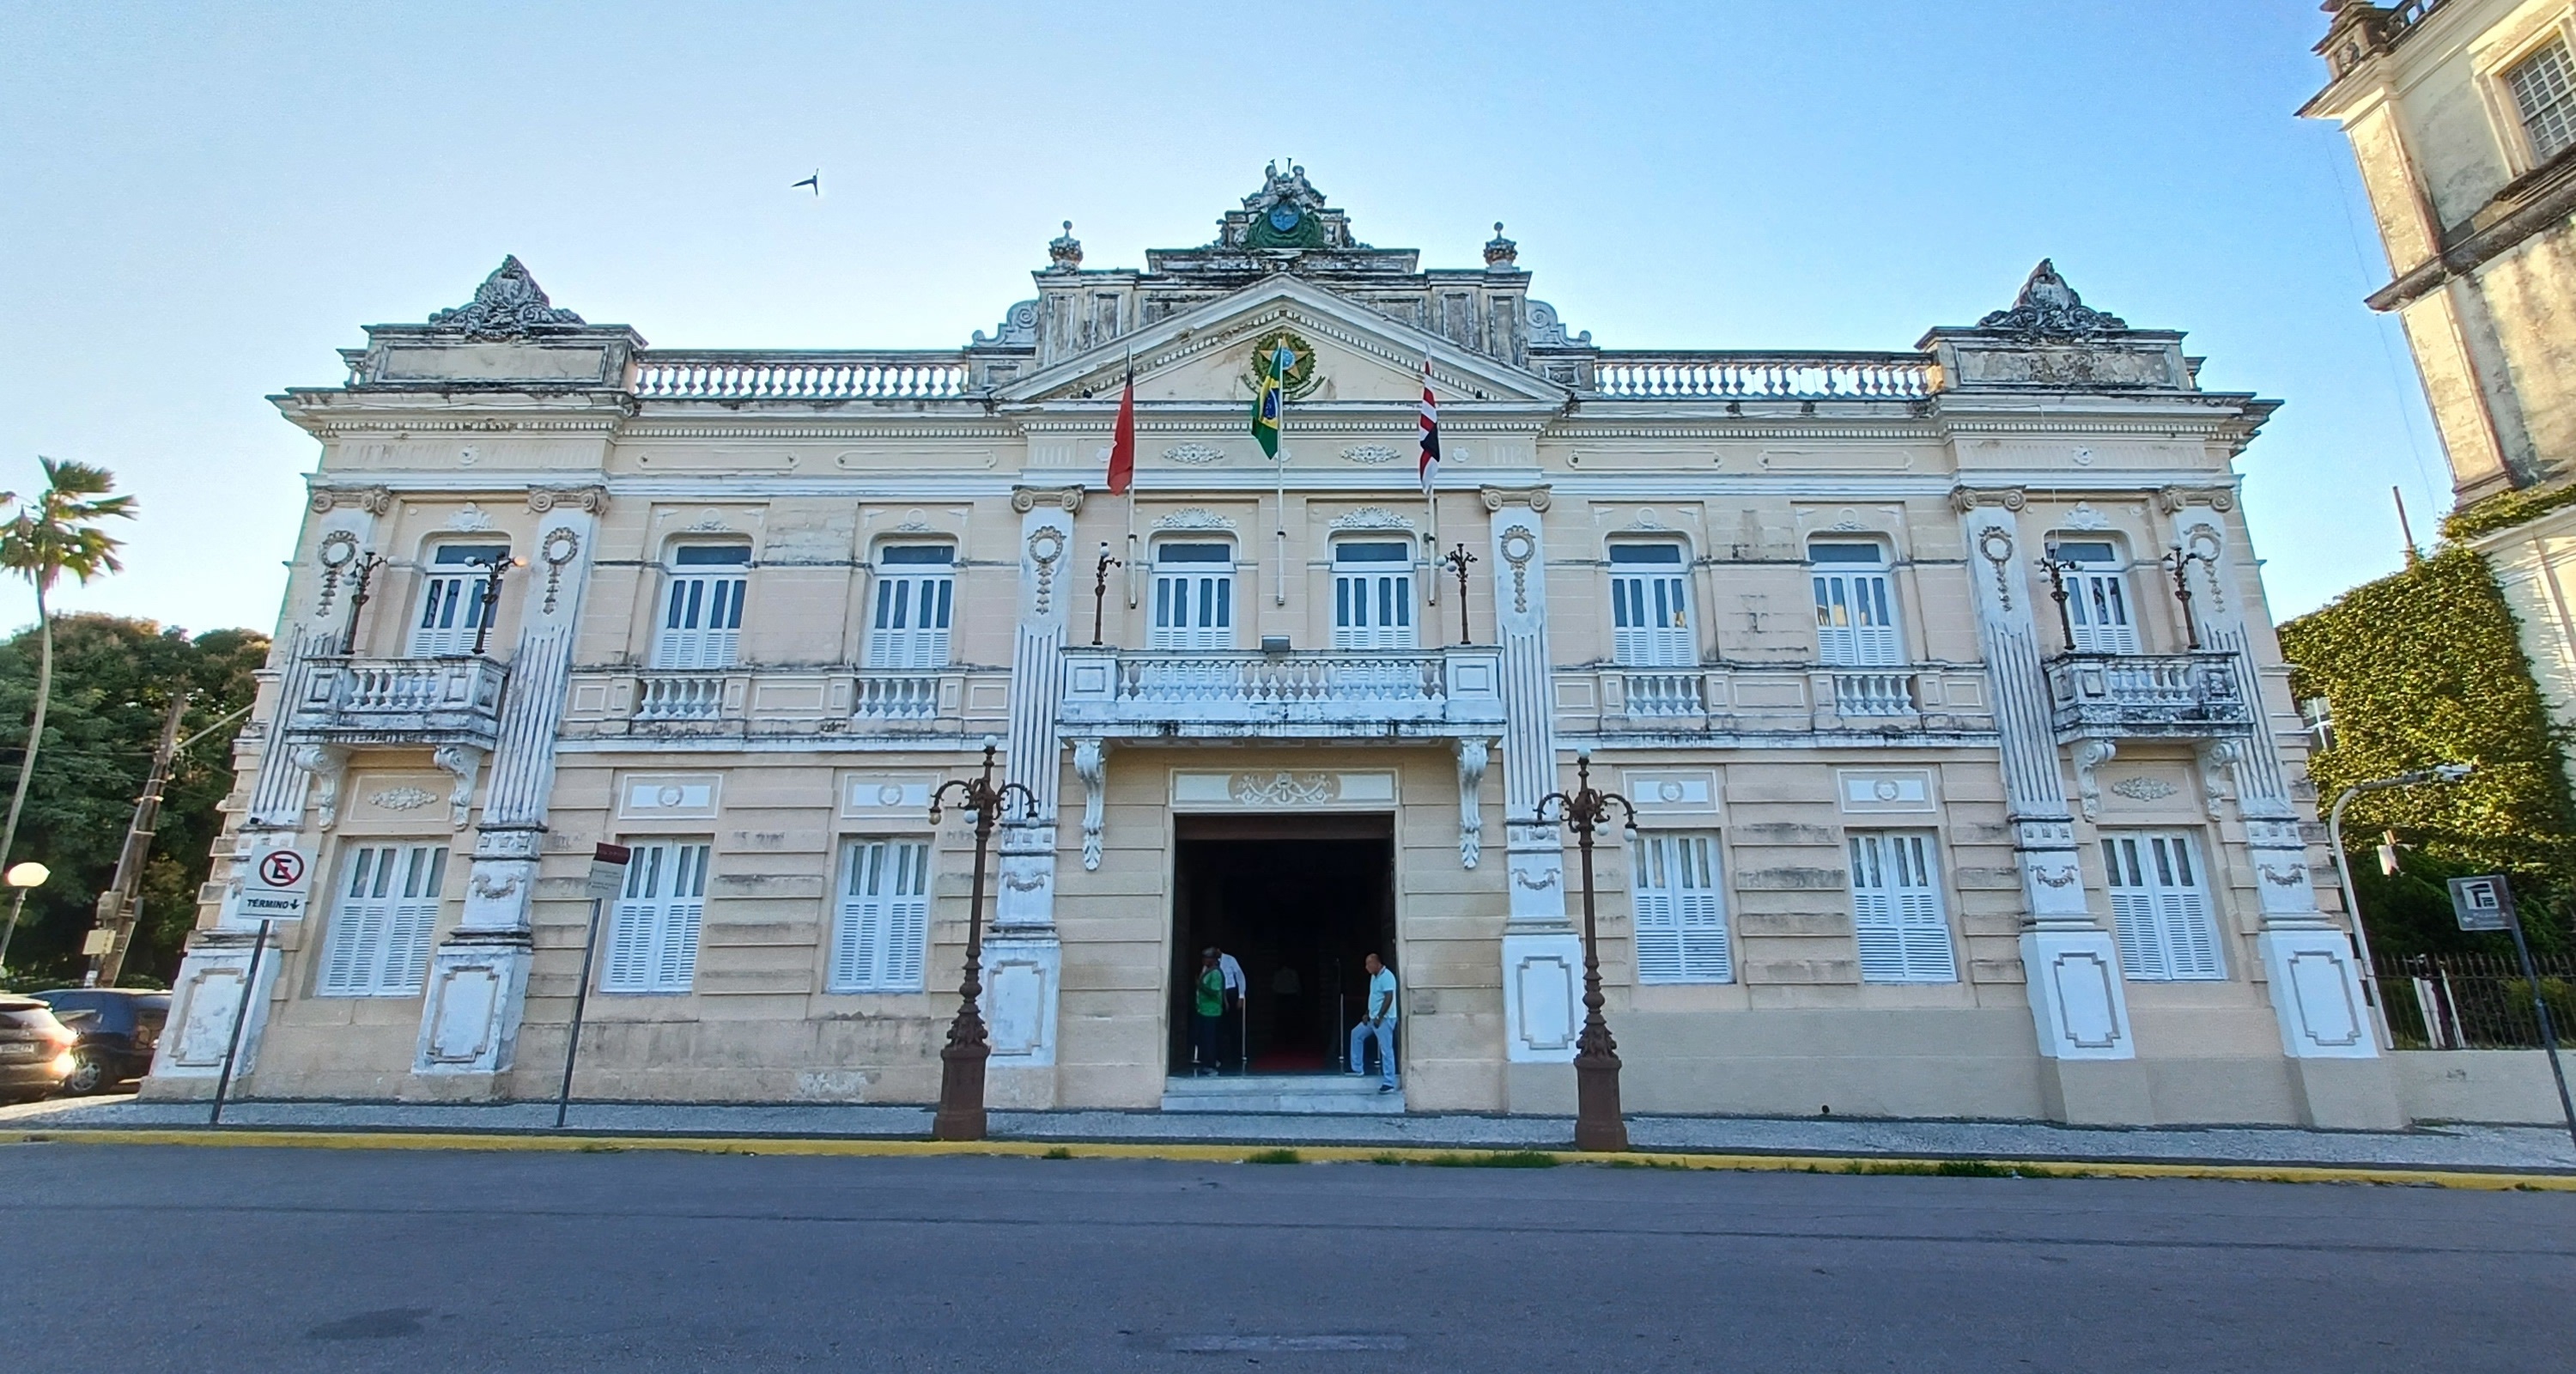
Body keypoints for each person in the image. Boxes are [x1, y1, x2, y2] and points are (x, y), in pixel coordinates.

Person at [1347, 951, 1399, 1092]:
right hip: (1372, 1017)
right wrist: (1367, 1013)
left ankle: (1389, 1082)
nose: (1367, 967)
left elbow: (1389, 997)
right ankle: (1357, 1069)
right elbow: (1374, 998)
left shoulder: (1387, 976)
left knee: (1386, 1049)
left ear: (1377, 963)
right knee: (1356, 1034)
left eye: (1369, 964)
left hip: (1384, 1019)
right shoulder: (1374, 977)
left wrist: (1380, 1017)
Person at [1191, 948, 1226, 1077]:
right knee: (1203, 1039)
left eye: (1206, 958)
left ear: (1213, 959)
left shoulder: (1215, 973)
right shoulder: (1206, 971)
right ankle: (1206, 1062)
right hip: (1203, 1010)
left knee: (1210, 1040)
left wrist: (1200, 985)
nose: (1204, 960)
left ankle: (1212, 1065)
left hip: (1212, 1011)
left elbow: (1214, 991)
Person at [1213, 946, 1246, 1072]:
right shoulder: (1211, 962)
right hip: (1217, 994)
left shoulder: (1230, 960)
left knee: (1234, 1027)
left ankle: (1236, 1057)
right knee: (1218, 1027)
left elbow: (1240, 977)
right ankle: (1220, 1057)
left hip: (1230, 992)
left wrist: (1241, 996)